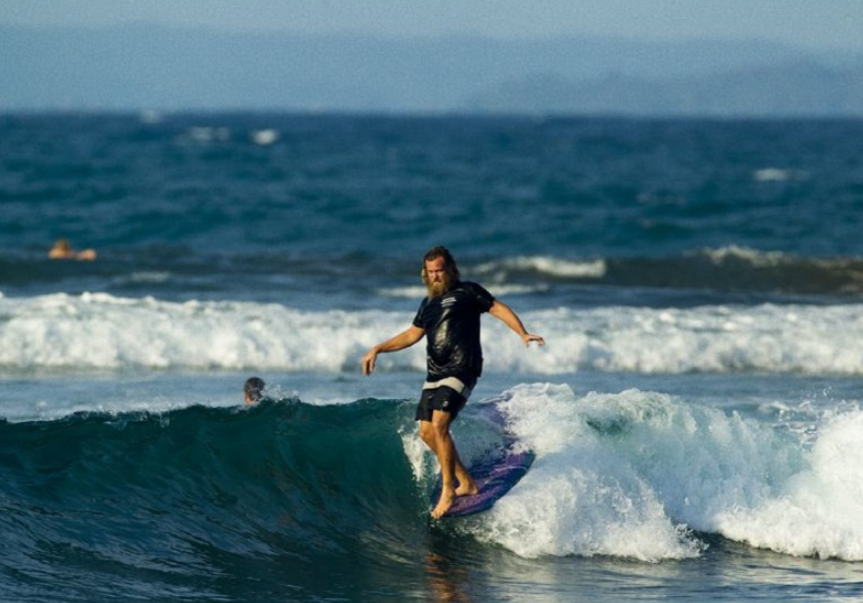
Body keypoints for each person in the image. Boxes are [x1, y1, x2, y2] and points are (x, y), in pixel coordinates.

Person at [362, 246, 544, 518]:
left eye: (440, 270)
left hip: (462, 368)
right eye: (431, 272)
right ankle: (467, 483)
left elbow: (497, 308)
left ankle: (450, 488)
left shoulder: (468, 292)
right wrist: (378, 348)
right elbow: (412, 335)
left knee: (440, 425)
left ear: (451, 268)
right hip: (435, 373)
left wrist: (522, 332)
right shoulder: (428, 304)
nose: (435, 276)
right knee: (426, 432)